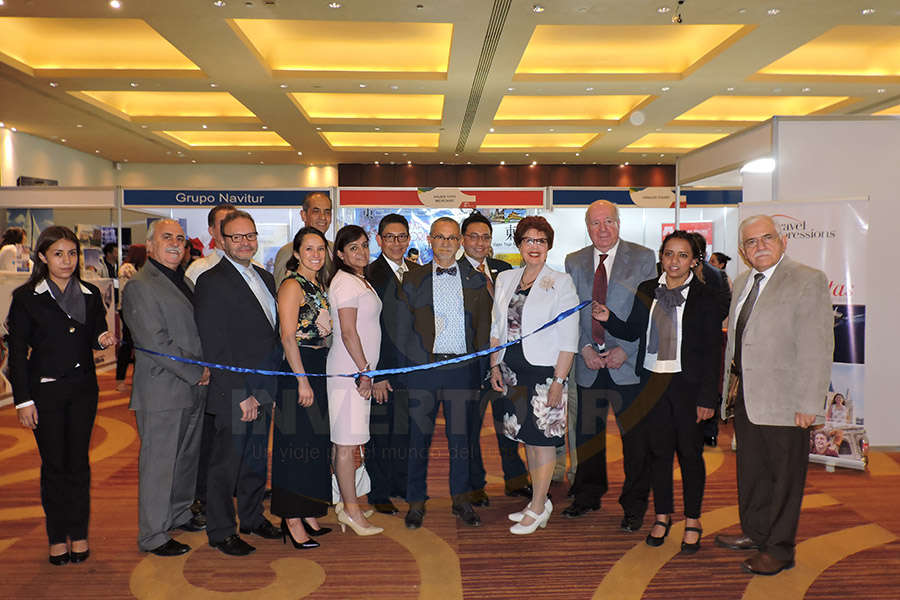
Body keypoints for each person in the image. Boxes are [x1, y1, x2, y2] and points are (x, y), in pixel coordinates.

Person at [714, 215, 833, 576]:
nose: (759, 246)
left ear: (782, 241)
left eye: (767, 238)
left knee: (784, 479)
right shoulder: (741, 282)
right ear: (742, 251)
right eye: (751, 242)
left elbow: (817, 346)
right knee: (752, 473)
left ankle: (780, 550)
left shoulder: (807, 280)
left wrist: (808, 403)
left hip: (787, 402)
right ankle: (757, 532)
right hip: (747, 398)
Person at [592, 230, 722, 553]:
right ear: (660, 258)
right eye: (668, 254)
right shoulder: (647, 288)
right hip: (650, 383)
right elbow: (634, 330)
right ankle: (662, 515)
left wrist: (709, 399)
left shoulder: (706, 296)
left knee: (690, 456)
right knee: (659, 455)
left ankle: (693, 519)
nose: (674, 261)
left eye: (682, 255)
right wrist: (608, 319)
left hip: (687, 386)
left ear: (694, 260)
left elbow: (711, 352)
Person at [8, 226, 116, 565]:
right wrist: (23, 400)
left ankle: (79, 534)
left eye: (72, 253)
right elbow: (17, 354)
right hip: (45, 393)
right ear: (42, 257)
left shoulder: (89, 293)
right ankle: (57, 537)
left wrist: (101, 339)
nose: (66, 260)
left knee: (79, 464)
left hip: (83, 390)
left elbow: (96, 329)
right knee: (54, 466)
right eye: (58, 254)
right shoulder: (27, 298)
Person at [194, 210, 283, 556]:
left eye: (250, 236)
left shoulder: (265, 277)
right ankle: (220, 531)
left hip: (264, 384)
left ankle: (251, 517)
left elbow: (270, 335)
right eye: (237, 237)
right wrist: (240, 394)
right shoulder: (211, 281)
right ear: (221, 241)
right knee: (225, 465)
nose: (245, 242)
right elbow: (214, 344)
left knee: (256, 459)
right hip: (235, 390)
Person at [564, 200, 656, 531]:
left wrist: (626, 351)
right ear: (586, 226)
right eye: (595, 223)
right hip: (588, 362)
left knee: (634, 440)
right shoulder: (573, 261)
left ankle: (634, 506)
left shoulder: (644, 257)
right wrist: (583, 347)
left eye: (609, 222)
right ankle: (587, 495)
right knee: (587, 435)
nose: (602, 229)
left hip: (626, 364)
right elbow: (570, 311)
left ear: (619, 224)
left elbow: (648, 313)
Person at [122, 219, 209, 557]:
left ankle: (178, 513)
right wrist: (196, 371)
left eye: (180, 238)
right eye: (167, 237)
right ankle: (153, 535)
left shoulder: (183, 280)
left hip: (191, 387)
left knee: (185, 458)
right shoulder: (141, 285)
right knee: (159, 464)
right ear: (151, 244)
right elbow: (154, 342)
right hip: (162, 390)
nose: (175, 243)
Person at [399, 217, 492, 530]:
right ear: (430, 239)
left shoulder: (476, 279)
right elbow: (403, 330)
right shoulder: (412, 278)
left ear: (460, 242)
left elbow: (483, 329)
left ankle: (461, 501)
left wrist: (481, 371)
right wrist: (413, 368)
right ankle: (415, 503)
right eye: (440, 237)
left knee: (461, 441)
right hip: (423, 371)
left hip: (462, 370)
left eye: (452, 238)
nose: (446, 243)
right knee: (418, 440)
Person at [488, 216, 578, 535]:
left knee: (543, 441)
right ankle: (536, 501)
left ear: (549, 245)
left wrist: (559, 380)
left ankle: (539, 506)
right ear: (519, 245)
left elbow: (569, 337)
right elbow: (496, 327)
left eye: (541, 240)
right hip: (512, 372)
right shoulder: (506, 278)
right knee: (526, 438)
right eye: (528, 240)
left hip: (544, 374)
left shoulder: (561, 282)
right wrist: (494, 365)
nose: (534, 246)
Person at [461, 211, 530, 503]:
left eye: (485, 237)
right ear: (463, 240)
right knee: (470, 431)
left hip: (504, 363)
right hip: (470, 365)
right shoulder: (452, 272)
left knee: (508, 426)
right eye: (473, 236)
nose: (480, 243)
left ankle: (515, 481)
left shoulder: (505, 270)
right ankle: (475, 485)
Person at [271, 226, 333, 550]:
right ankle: (291, 517)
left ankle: (308, 510)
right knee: (294, 446)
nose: (316, 255)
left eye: (320, 249)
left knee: (314, 444)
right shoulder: (292, 285)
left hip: (317, 367)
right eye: (309, 249)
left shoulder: (317, 284)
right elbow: (286, 336)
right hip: (300, 371)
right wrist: (302, 380)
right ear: (296, 253)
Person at [326, 225, 384, 536]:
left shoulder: (359, 280)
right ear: (340, 254)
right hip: (349, 371)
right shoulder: (345, 283)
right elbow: (348, 332)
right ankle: (350, 511)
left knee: (350, 441)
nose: (361, 252)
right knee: (347, 444)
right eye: (353, 248)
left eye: (363, 245)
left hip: (358, 370)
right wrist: (364, 370)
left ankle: (345, 500)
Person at [364, 214, 412, 515]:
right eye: (390, 237)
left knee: (405, 431)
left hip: (412, 369)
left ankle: (399, 484)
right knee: (380, 433)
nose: (397, 242)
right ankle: (378, 492)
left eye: (402, 236)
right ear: (379, 239)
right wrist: (378, 373)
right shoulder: (370, 274)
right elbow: (371, 327)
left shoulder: (417, 271)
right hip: (385, 369)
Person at [689, 233, 731, 449]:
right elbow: (725, 305)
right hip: (712, 338)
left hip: (692, 342)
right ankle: (710, 433)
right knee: (711, 385)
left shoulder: (713, 275)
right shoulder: (720, 275)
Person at [273, 192, 334, 286]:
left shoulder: (333, 248)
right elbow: (281, 290)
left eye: (327, 212)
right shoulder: (288, 251)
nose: (323, 217)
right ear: (303, 215)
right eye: (316, 211)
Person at [115, 244, 145, 393]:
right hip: (129, 311)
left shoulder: (134, 268)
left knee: (133, 345)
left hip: (134, 311)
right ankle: (120, 380)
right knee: (127, 345)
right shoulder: (128, 269)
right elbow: (131, 292)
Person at [185, 203, 237, 284]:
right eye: (223, 223)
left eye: (234, 223)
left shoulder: (255, 268)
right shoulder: (197, 269)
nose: (229, 228)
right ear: (211, 231)